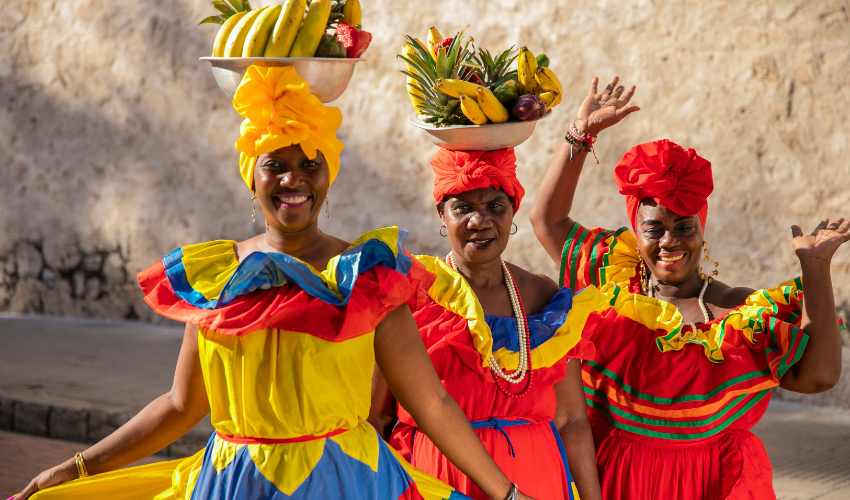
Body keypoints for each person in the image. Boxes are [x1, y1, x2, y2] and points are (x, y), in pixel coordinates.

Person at [12, 66, 534, 500]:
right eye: (275, 165)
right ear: (252, 176)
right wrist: (78, 468)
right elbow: (180, 407)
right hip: (234, 485)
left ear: (328, 175)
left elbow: (432, 405)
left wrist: (506, 494)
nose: (294, 179)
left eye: (311, 164)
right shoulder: (213, 277)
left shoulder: (369, 276)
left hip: (347, 484)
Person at [530, 76, 848, 499]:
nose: (669, 242)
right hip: (620, 482)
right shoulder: (613, 285)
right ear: (635, 231)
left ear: (702, 229)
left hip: (714, 485)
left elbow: (818, 377)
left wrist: (816, 268)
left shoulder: (736, 314)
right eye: (654, 229)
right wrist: (580, 134)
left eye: (684, 227)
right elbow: (547, 222)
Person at [370, 147, 603, 499]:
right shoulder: (412, 296)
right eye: (462, 208)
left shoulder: (544, 299)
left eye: (495, 207)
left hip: (537, 483)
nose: (480, 222)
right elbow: (378, 418)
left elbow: (572, 420)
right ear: (441, 215)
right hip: (442, 484)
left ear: (513, 213)